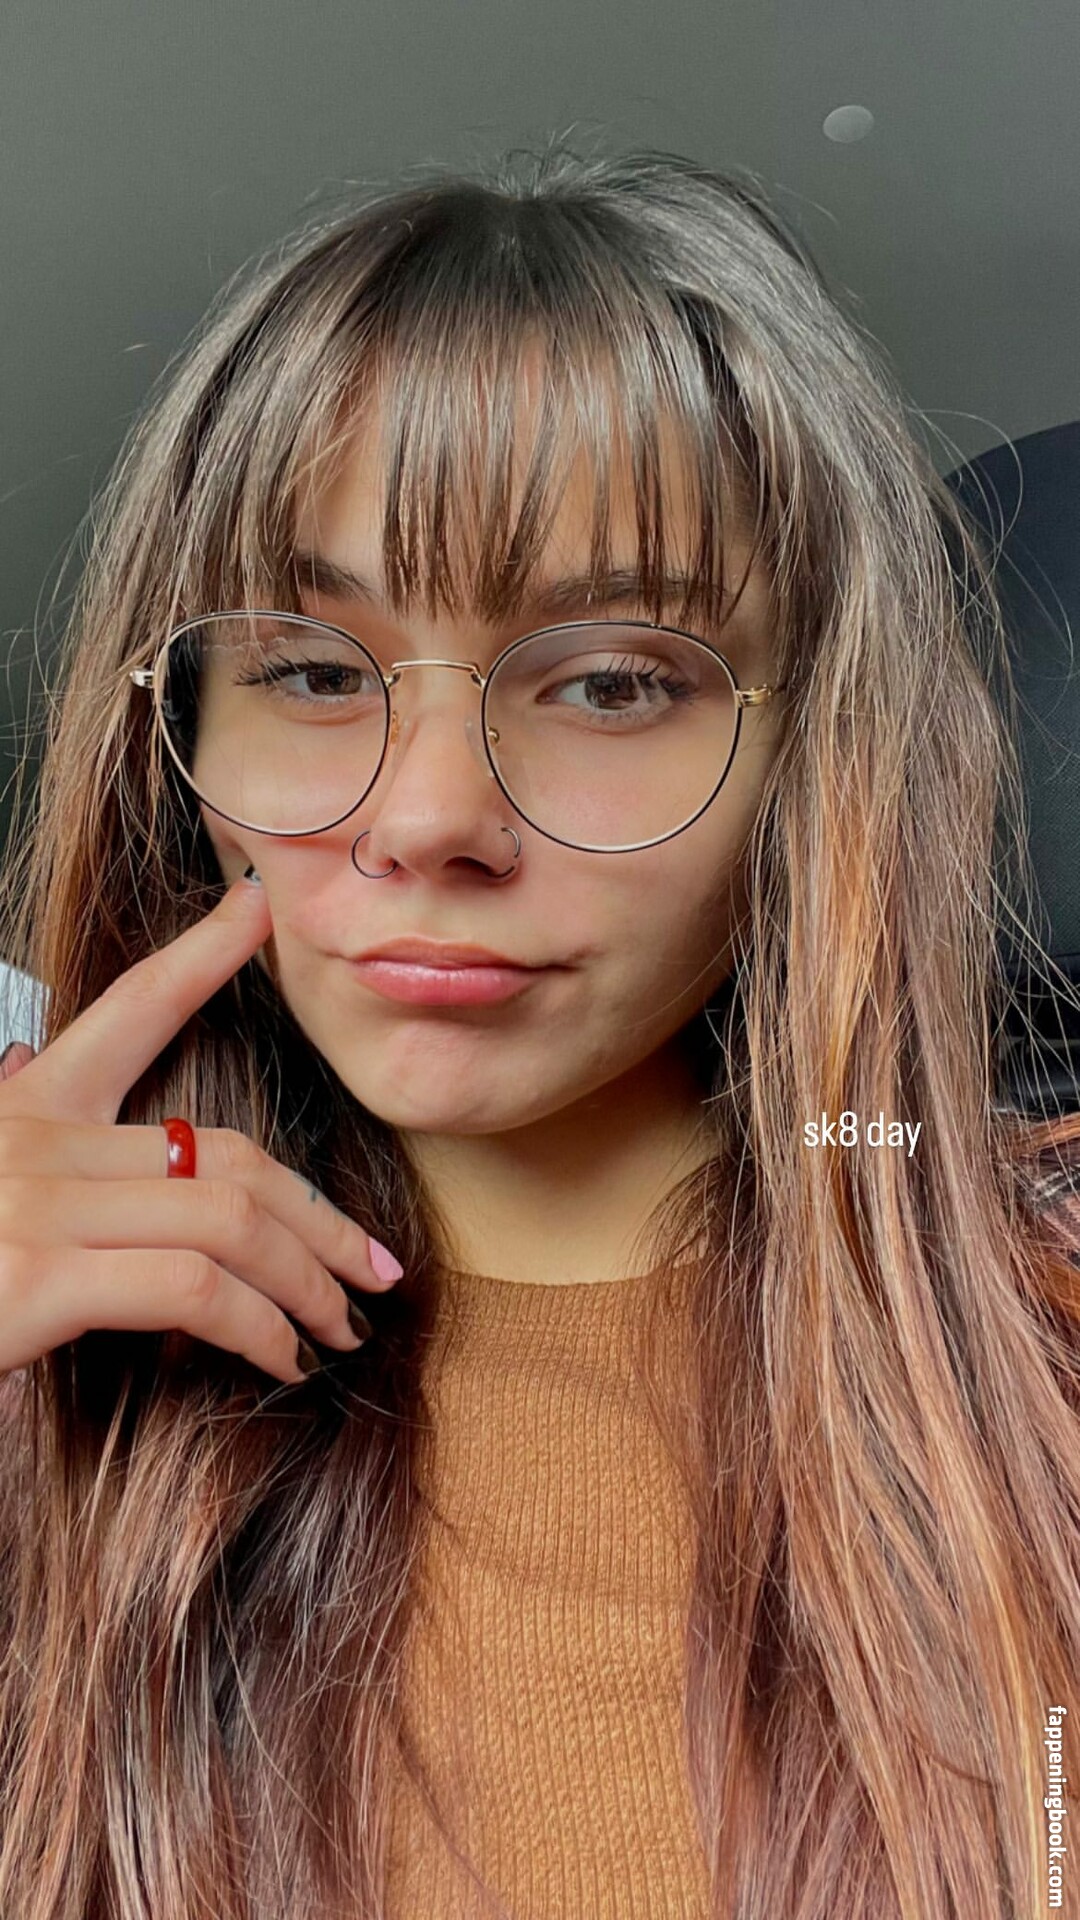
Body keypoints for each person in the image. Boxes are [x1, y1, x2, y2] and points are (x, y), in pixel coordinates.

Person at [0, 141, 1076, 1920]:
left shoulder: (1040, 1344)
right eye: (314, 672)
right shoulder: (46, 1386)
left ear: (820, 755)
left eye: (611, 681)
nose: (429, 820)